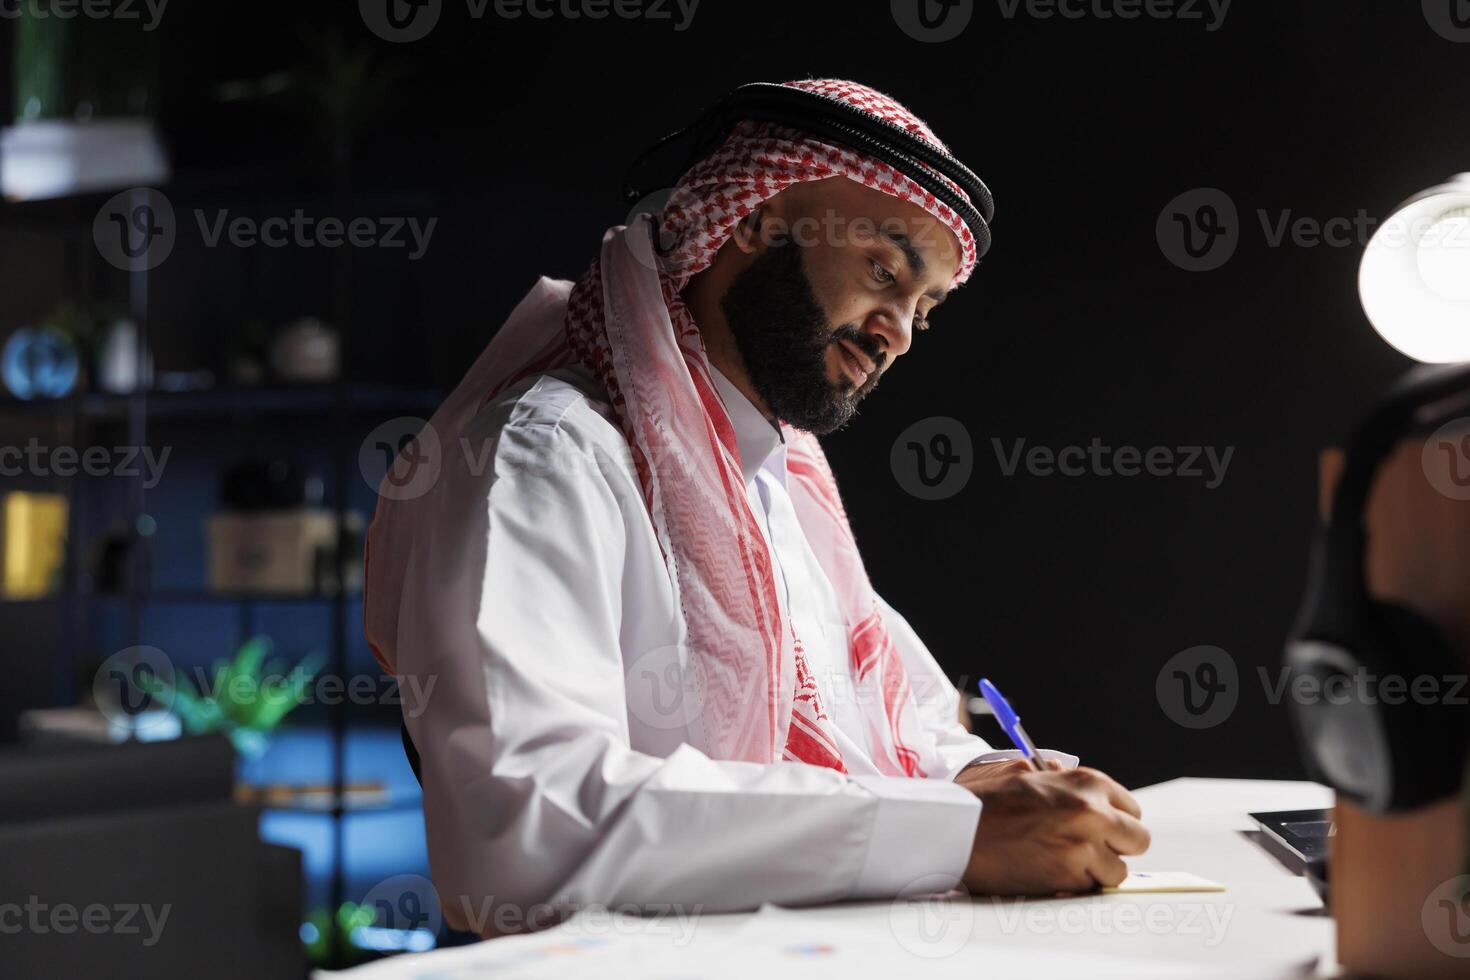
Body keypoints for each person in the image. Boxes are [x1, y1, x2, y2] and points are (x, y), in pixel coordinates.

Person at [363, 78, 1149, 935]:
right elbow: (520, 827)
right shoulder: (547, 452)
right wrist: (954, 833)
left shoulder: (778, 483)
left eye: (923, 309)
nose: (897, 333)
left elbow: (902, 724)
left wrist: (985, 785)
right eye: (884, 272)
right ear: (751, 220)